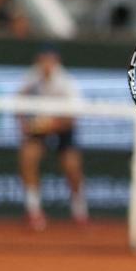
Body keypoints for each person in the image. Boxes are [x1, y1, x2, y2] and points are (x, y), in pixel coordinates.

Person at [17, 47, 87, 230]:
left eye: (50, 60)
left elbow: (72, 117)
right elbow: (18, 103)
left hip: (62, 126)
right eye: (43, 60)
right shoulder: (30, 78)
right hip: (37, 127)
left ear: (56, 61)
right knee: (27, 157)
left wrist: (49, 124)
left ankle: (79, 209)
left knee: (72, 166)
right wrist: (25, 123)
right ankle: (34, 211)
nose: (46, 64)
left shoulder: (67, 82)